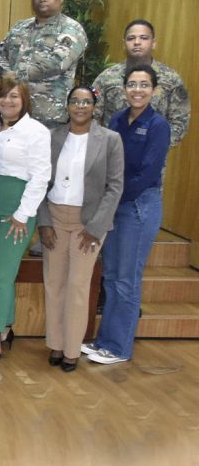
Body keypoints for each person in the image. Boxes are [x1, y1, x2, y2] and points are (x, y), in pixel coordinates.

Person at [87, 65, 170, 365]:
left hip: (139, 206)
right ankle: (104, 341)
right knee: (110, 277)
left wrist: (113, 195)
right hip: (115, 204)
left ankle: (119, 347)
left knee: (127, 280)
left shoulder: (159, 125)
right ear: (124, 89)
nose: (138, 90)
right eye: (132, 84)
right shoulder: (118, 120)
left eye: (144, 85)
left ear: (154, 90)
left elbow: (147, 173)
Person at [38, 85, 123, 371]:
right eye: (75, 101)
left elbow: (115, 187)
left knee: (77, 285)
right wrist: (44, 222)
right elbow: (40, 181)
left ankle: (72, 349)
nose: (80, 106)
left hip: (88, 223)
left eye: (86, 102)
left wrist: (96, 228)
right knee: (54, 283)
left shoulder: (110, 139)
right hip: (55, 218)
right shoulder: (53, 137)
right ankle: (56, 344)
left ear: (94, 107)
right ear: (68, 105)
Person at [0, 76, 50, 362]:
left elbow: (41, 176)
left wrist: (22, 215)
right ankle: (6, 326)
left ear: (24, 101)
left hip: (16, 209)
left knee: (2, 275)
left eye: (14, 96)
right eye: (3, 96)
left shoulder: (36, 131)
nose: (7, 101)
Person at [0, 0, 86, 129]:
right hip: (14, 111)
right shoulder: (20, 27)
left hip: (48, 116)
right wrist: (7, 75)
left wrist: (15, 76)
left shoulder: (71, 29)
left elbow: (57, 63)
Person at [92, 19, 190, 150]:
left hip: (151, 154)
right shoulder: (106, 77)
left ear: (153, 43)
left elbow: (180, 120)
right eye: (131, 38)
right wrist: (103, 142)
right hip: (111, 152)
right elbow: (91, 114)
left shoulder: (171, 79)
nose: (137, 42)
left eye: (144, 38)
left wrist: (157, 145)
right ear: (124, 44)